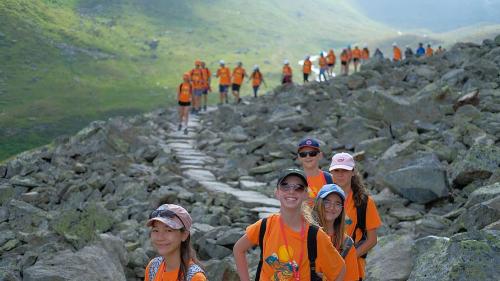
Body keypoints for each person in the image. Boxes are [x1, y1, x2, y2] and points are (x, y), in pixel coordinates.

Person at [233, 168, 346, 281]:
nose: (291, 191)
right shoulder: (265, 225)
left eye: (299, 187)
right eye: (285, 186)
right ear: (277, 192)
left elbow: (340, 270)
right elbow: (238, 249)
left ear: (306, 194)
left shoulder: (315, 235)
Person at [329, 152, 382, 281]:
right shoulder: (323, 198)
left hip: (353, 268)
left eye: (345, 170)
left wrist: (349, 257)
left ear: (353, 172)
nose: (340, 174)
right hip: (327, 265)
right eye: (336, 170)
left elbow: (372, 240)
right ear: (331, 172)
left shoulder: (364, 202)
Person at [144, 204, 206, 281]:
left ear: (184, 235)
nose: (160, 237)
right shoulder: (153, 267)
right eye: (155, 230)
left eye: (168, 230)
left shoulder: (195, 278)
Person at [313, 184, 360, 281]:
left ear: (342, 209)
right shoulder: (305, 233)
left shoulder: (346, 244)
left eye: (337, 203)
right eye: (327, 202)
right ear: (318, 203)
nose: (332, 207)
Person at [296, 137, 334, 201]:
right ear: (299, 157)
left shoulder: (330, 179)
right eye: (303, 154)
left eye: (312, 153)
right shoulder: (294, 180)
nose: (308, 157)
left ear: (320, 155)